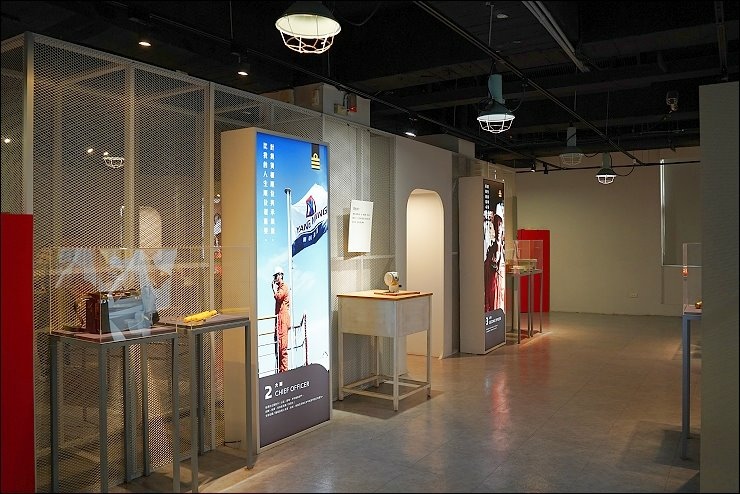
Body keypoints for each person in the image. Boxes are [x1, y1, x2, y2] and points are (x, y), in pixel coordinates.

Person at [272, 266, 291, 373]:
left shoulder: (283, 287)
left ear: (280, 275)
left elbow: (279, 297)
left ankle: (284, 372)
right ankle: (281, 371)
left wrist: (274, 289)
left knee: (283, 347)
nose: (275, 278)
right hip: (280, 320)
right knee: (279, 347)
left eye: (276, 276)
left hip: (283, 320)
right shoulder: (280, 288)